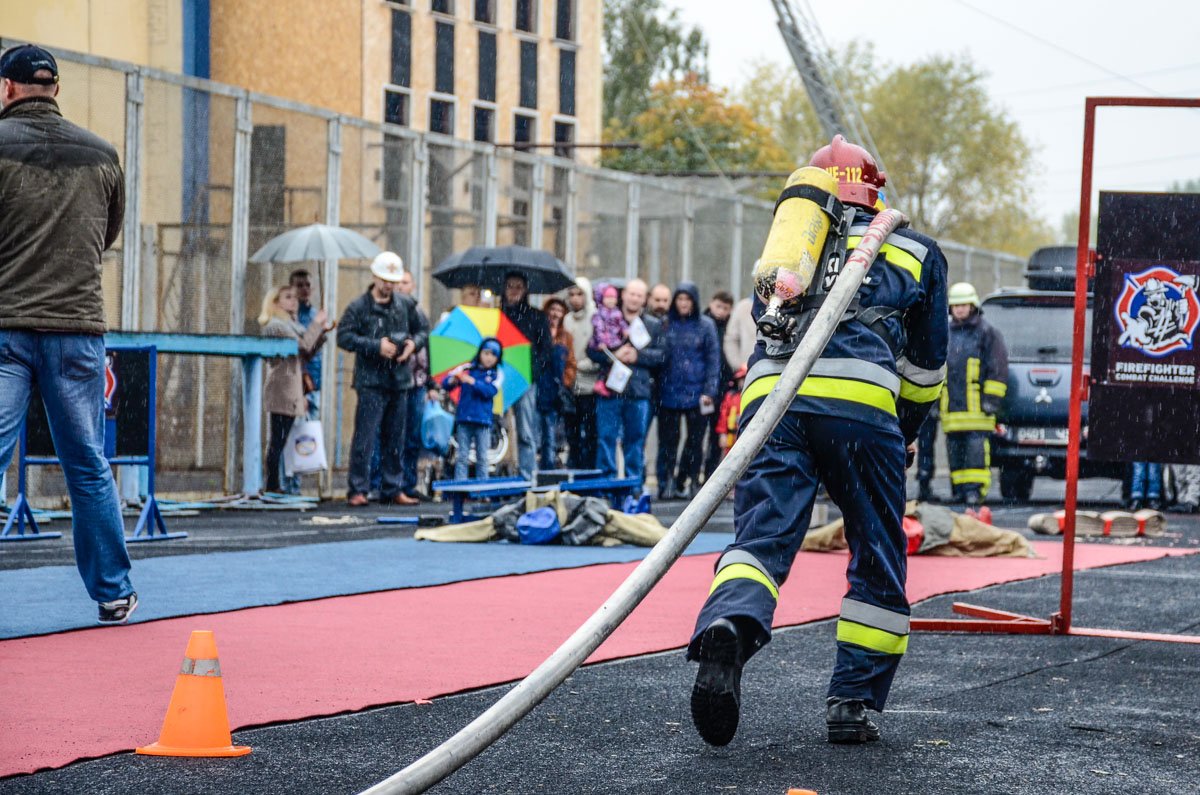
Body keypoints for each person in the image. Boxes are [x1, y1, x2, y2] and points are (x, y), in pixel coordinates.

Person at [688, 135, 948, 747]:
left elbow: (768, 321)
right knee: (877, 548)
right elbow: (926, 368)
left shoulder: (790, 247)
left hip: (771, 403)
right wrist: (902, 435)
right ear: (874, 189)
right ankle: (853, 704)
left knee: (761, 539)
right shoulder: (914, 249)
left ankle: (730, 622)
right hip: (859, 409)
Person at [0, 44, 139, 625]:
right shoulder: (103, 154)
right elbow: (106, 235)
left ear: (8, 90)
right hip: (77, 326)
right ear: (55, 88)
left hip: (5, 326)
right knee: (86, 464)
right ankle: (112, 591)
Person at [337, 251, 428, 506]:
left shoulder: (406, 305)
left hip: (400, 381)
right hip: (371, 381)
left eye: (393, 280)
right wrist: (375, 346)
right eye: (385, 279)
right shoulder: (358, 307)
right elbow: (344, 336)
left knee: (395, 437)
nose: (389, 284)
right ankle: (358, 489)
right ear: (375, 276)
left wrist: (412, 344)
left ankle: (392, 487)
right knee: (365, 437)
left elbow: (423, 330)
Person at [587, 279, 665, 485]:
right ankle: (606, 484)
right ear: (624, 295)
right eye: (632, 293)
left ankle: (633, 485)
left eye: (639, 295)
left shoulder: (653, 324)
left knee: (635, 441)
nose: (635, 298)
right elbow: (591, 350)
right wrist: (614, 354)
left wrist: (637, 356)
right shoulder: (606, 318)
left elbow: (662, 356)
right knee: (606, 438)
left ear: (644, 299)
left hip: (639, 391)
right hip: (610, 390)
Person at [940, 282, 1008, 506]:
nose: (959, 309)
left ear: (973, 305)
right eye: (955, 305)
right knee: (955, 451)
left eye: (964, 305)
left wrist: (991, 401)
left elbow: (997, 368)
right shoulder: (945, 333)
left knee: (975, 452)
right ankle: (959, 490)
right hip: (952, 409)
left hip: (978, 409)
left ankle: (974, 492)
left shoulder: (986, 332)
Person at [259, 284, 328, 493]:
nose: (293, 301)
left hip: (292, 387)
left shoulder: (292, 324)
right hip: (282, 388)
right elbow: (302, 345)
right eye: (287, 297)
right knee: (278, 440)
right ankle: (272, 485)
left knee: (284, 438)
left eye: (294, 298)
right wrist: (316, 324)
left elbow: (306, 353)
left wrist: (321, 331)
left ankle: (279, 484)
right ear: (275, 302)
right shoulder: (277, 325)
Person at [656, 282, 720, 499]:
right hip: (668, 392)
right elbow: (659, 358)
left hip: (697, 392)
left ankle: (691, 481)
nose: (683, 304)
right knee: (668, 443)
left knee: (695, 442)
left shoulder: (706, 326)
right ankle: (666, 483)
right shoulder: (665, 324)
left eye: (687, 300)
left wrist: (709, 390)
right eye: (680, 299)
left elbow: (713, 360)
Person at [501, 272, 552, 479]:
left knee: (525, 430)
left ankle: (527, 474)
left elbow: (546, 350)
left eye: (518, 287)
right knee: (495, 429)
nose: (514, 291)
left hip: (525, 379)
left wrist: (532, 371)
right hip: (498, 378)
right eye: (510, 286)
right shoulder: (497, 316)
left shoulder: (536, 317)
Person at [394, 268, 431, 502]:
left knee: (413, 436)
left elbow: (428, 344)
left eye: (405, 282)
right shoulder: (390, 313)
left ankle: (408, 483)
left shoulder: (419, 314)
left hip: (418, 383)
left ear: (413, 286)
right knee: (392, 435)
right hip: (398, 383)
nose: (400, 286)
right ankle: (388, 484)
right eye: (397, 282)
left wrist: (433, 384)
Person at [443, 338, 504, 481]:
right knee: (462, 455)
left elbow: (489, 391)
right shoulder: (467, 368)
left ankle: (482, 488)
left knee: (482, 456)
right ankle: (460, 487)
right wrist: (455, 380)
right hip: (464, 418)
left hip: (483, 420)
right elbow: (447, 382)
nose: (489, 358)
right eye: (486, 353)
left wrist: (472, 382)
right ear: (480, 353)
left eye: (493, 355)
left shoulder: (496, 374)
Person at [563, 278, 599, 469]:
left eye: (579, 294)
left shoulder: (596, 318)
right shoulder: (567, 320)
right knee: (572, 433)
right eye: (572, 295)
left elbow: (599, 353)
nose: (575, 299)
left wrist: (580, 365)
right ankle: (575, 469)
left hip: (590, 386)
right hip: (570, 385)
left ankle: (589, 471)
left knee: (591, 433)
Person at [537, 297, 577, 469]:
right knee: (535, 433)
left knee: (552, 434)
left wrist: (564, 381)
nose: (555, 314)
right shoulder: (538, 333)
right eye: (552, 309)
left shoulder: (566, 337)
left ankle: (550, 467)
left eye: (559, 310)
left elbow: (571, 363)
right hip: (539, 388)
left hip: (556, 393)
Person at [703, 290, 735, 481]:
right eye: (718, 306)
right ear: (711, 303)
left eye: (725, 308)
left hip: (724, 386)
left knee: (719, 433)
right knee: (699, 434)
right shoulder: (703, 324)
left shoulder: (730, 328)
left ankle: (711, 473)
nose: (721, 311)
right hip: (706, 386)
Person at [590, 282, 628, 398]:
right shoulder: (599, 313)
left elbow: (621, 323)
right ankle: (601, 383)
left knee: (613, 365)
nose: (611, 301)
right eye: (608, 298)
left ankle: (610, 385)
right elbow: (598, 328)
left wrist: (625, 330)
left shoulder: (617, 312)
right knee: (604, 366)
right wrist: (600, 341)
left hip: (614, 341)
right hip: (604, 343)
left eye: (613, 298)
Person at [722, 295, 756, 374]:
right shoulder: (743, 307)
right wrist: (739, 366)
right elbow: (731, 339)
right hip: (747, 371)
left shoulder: (786, 306)